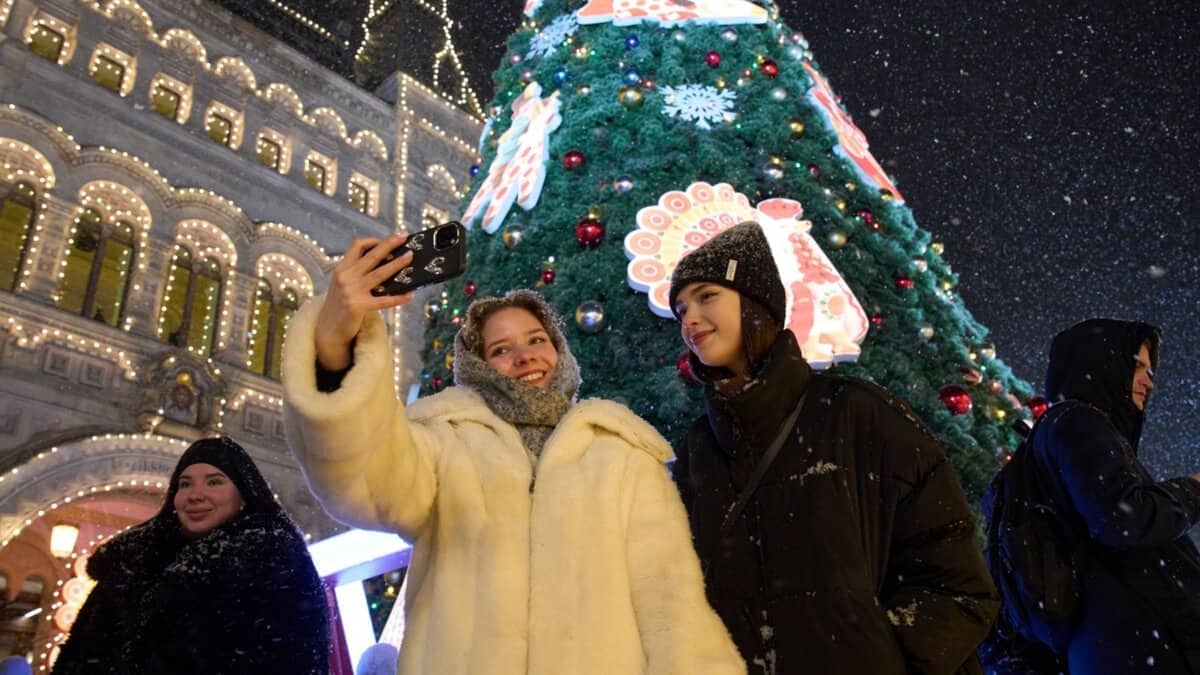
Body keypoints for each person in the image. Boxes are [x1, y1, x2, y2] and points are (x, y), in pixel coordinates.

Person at [281, 234, 744, 675]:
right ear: (478, 365)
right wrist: (334, 345)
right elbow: (365, 479)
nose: (525, 357)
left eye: (537, 340)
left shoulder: (620, 450)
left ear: (559, 349)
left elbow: (670, 601)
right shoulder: (443, 438)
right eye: (501, 349)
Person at [668, 221, 999, 675]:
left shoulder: (857, 413)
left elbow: (954, 579)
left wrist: (886, 657)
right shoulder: (696, 450)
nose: (689, 318)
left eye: (707, 297)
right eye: (681, 308)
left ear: (756, 302)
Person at [986, 319, 1200, 674]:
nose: (1149, 380)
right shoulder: (1079, 421)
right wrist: (1194, 488)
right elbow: (1122, 519)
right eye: (1138, 367)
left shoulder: (1058, 434)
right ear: (1104, 364)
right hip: (1134, 642)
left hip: (1110, 643)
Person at [52, 437, 330, 675]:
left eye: (214, 482)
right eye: (185, 484)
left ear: (243, 494)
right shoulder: (130, 562)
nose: (195, 495)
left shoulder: (272, 562)